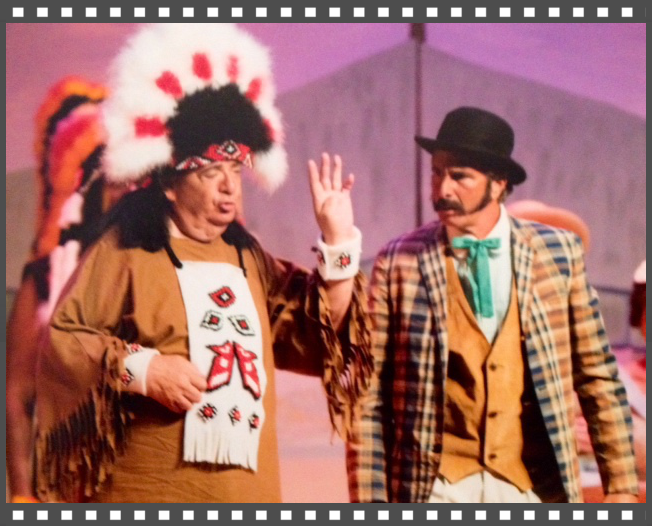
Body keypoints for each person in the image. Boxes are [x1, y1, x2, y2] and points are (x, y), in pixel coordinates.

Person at [34, 23, 371, 503]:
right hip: (150, 491)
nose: (230, 188)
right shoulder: (124, 250)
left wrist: (337, 241)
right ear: (170, 185)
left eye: (235, 170)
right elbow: (64, 341)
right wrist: (145, 369)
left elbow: (320, 335)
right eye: (212, 173)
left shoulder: (248, 259)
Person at [346, 106, 638, 503]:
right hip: (436, 488)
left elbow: (597, 377)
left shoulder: (558, 253)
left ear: (499, 183)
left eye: (459, 176)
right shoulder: (399, 260)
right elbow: (368, 396)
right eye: (437, 172)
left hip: (532, 486)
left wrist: (620, 487)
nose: (442, 189)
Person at [6, 77, 114, 503]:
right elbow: (18, 396)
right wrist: (22, 496)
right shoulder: (47, 274)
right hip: (67, 481)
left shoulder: (147, 256)